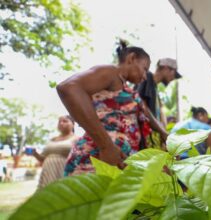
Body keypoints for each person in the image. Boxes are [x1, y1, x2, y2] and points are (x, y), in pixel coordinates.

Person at [57, 40, 168, 176]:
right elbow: (69, 88)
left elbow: (147, 113)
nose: (145, 76)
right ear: (131, 58)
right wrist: (106, 146)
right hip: (95, 159)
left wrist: (164, 133)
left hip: (117, 162)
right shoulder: (111, 73)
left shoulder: (128, 91)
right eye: (144, 69)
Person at [137, 58, 182, 150]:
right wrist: (163, 132)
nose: (173, 78)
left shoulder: (155, 89)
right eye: (173, 73)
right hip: (142, 141)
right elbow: (142, 107)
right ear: (165, 68)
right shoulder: (148, 77)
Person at [33, 115, 77, 188]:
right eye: (59, 122)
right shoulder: (52, 139)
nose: (61, 123)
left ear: (73, 124)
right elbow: (42, 159)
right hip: (47, 171)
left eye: (65, 121)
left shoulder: (76, 139)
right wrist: (34, 153)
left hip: (63, 170)